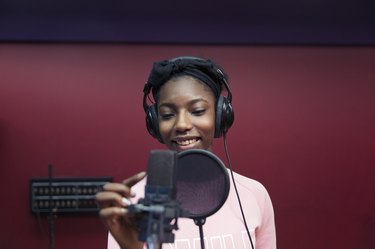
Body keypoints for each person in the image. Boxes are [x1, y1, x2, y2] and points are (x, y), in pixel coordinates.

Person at [96, 56, 277, 249]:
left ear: (220, 115)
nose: (182, 124)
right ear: (155, 123)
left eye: (198, 111)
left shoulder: (253, 195)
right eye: (167, 115)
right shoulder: (133, 204)